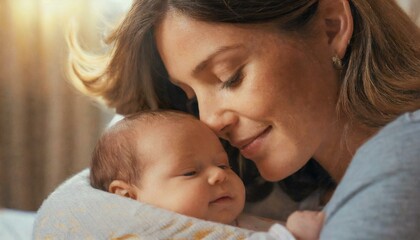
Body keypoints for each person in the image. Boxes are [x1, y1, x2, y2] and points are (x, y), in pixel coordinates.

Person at [66, 0, 420, 239]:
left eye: (229, 77)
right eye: (191, 97)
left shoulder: (403, 156)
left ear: (331, 28)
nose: (209, 121)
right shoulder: (256, 188)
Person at [90, 110, 324, 239]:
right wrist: (293, 235)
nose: (219, 176)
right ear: (128, 197)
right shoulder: (156, 235)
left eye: (224, 165)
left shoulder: (235, 218)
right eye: (190, 172)